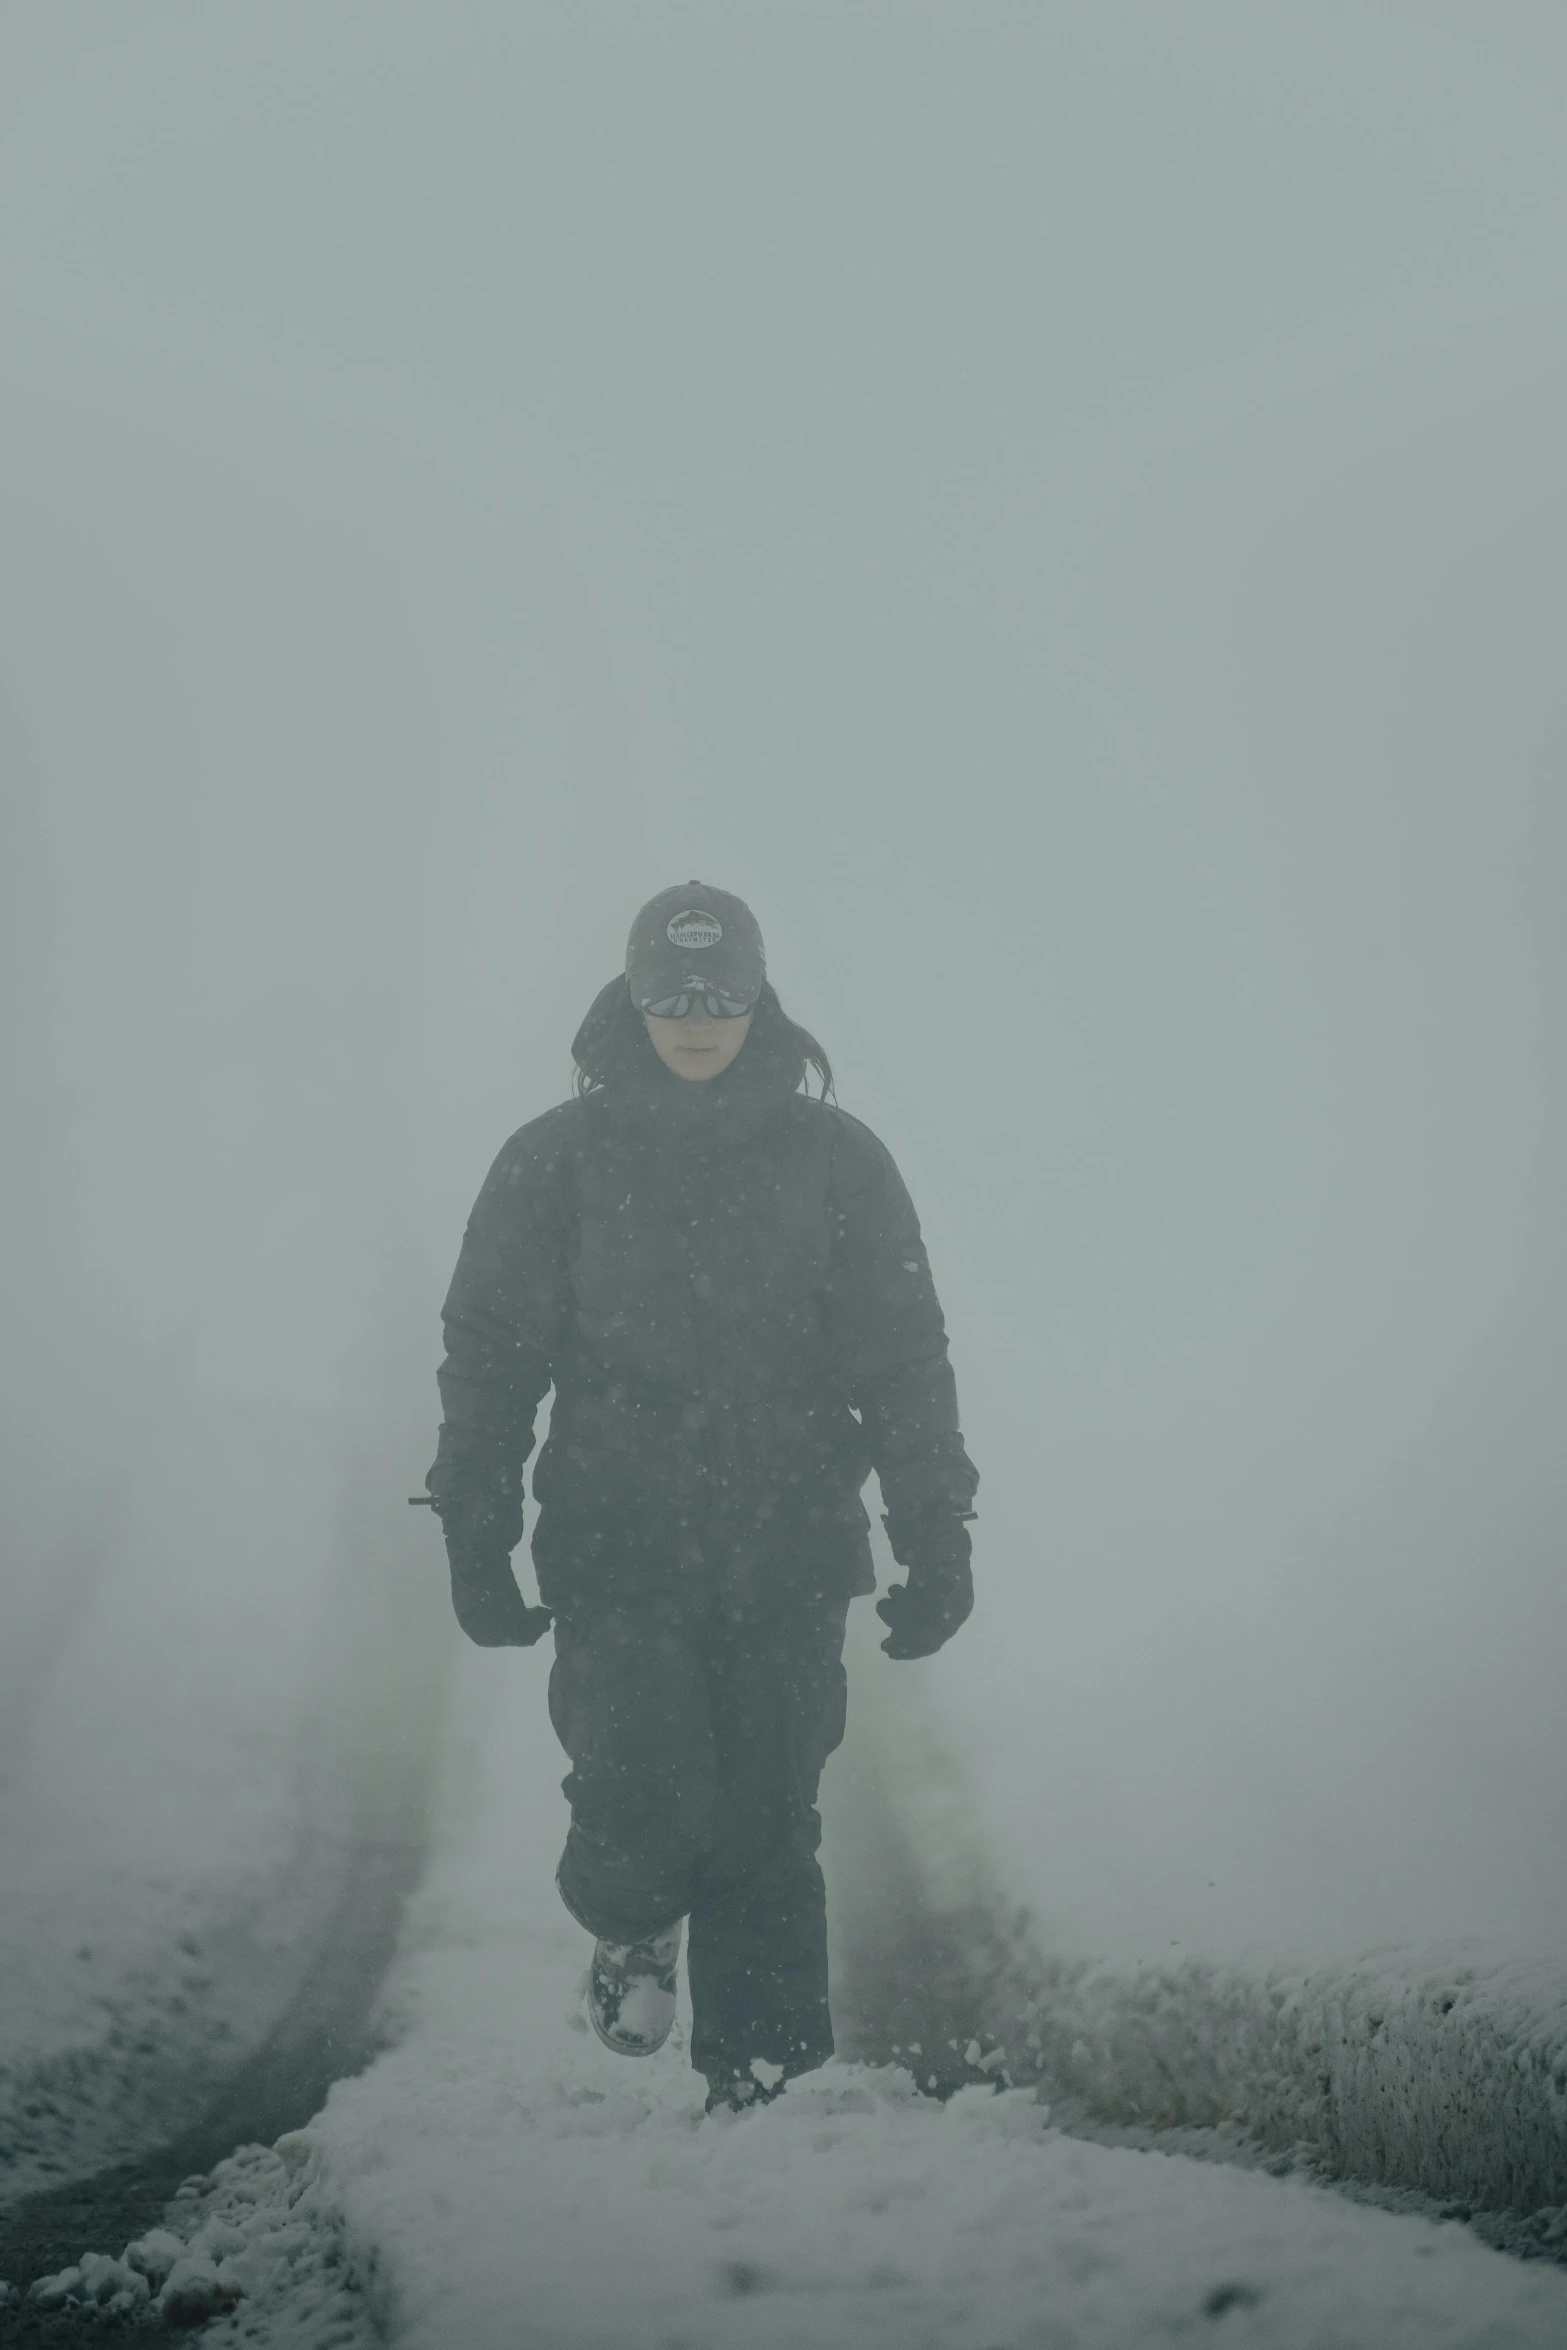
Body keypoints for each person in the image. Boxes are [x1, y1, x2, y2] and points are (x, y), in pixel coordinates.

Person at [422, 881, 978, 2112]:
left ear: (760, 994)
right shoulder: (553, 1160)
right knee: (645, 1791)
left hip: (790, 1543)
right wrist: (476, 1519)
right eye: (669, 991)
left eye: (719, 991)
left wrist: (935, 1528)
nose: (694, 1014)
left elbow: (901, 1355)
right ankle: (630, 1925)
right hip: (617, 1543)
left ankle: (761, 2091)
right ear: (629, 993)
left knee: (768, 1819)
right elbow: (491, 1347)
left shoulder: (838, 1162)